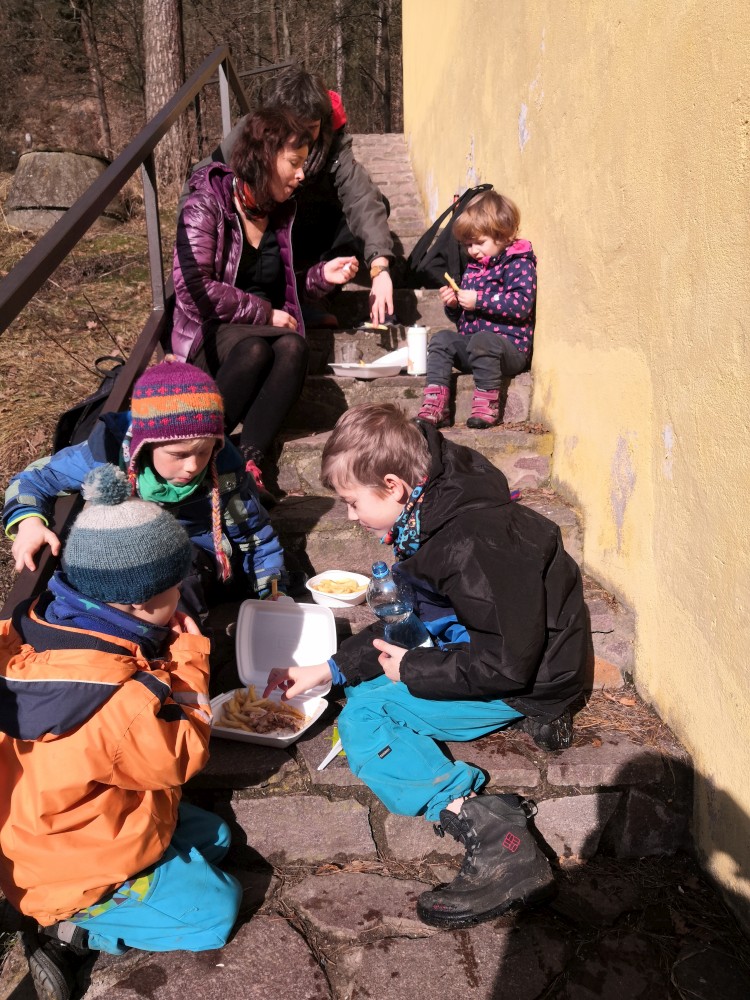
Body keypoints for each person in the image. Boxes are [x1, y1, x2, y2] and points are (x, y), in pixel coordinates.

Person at [264, 403, 587, 930]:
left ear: (393, 486)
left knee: (362, 717)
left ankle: (492, 833)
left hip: (523, 680)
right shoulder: (437, 511)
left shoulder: (470, 541)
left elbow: (506, 664)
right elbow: (412, 615)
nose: (351, 517)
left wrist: (414, 670)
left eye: (352, 502)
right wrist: (329, 669)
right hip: (504, 658)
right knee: (363, 689)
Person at [0, 464, 242, 1000]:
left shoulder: (38, 629)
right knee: (217, 909)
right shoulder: (121, 701)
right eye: (175, 589)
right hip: (73, 868)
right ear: (136, 601)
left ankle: (134, 883)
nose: (182, 596)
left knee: (219, 839)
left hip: (62, 824)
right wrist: (188, 660)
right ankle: (73, 929)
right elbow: (180, 757)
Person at [3, 357, 285, 625]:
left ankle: (178, 644)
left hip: (193, 559)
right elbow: (34, 478)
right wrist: (29, 522)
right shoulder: (108, 454)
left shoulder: (225, 473)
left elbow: (254, 535)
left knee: (176, 572)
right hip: (123, 552)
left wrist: (272, 587)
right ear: (146, 445)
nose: (192, 466)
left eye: (204, 451)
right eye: (178, 454)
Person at [172, 106, 359, 497]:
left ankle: (249, 462)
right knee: (257, 348)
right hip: (210, 333)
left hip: (263, 330)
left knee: (293, 346)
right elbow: (193, 286)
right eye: (294, 162)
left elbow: (281, 285)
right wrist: (264, 314)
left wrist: (321, 277)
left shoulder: (281, 213)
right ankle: (197, 449)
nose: (302, 174)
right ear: (264, 158)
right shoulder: (207, 201)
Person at [189, 67, 395, 325]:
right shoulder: (253, 132)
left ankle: (318, 293)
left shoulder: (333, 142)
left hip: (314, 227)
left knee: (378, 203)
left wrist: (379, 267)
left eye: (312, 127)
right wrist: (193, 251)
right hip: (269, 226)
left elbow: (361, 197)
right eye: (295, 127)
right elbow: (203, 181)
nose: (305, 137)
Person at [418, 190, 536, 430]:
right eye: (468, 244)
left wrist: (479, 300)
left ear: (503, 235)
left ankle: (486, 406)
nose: (472, 250)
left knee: (483, 340)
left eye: (479, 243)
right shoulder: (474, 267)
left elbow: (521, 305)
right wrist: (454, 306)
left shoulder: (518, 262)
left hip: (510, 349)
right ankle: (436, 405)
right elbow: (465, 319)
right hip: (475, 346)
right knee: (441, 340)